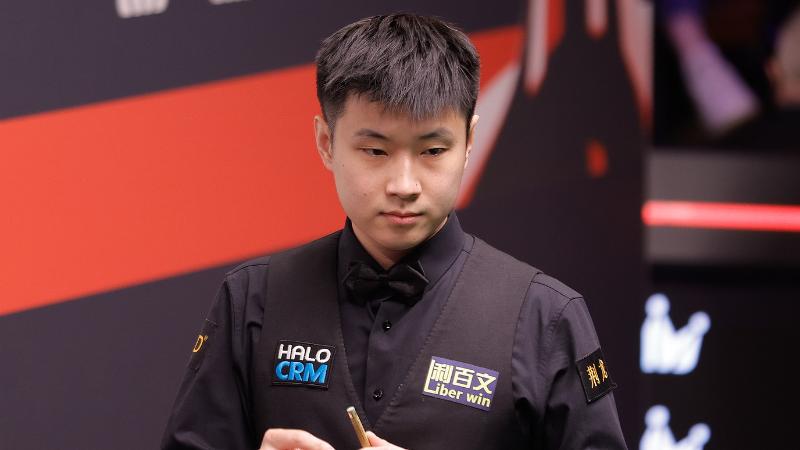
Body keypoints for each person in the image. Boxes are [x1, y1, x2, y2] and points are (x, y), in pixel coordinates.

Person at [161, 13, 626, 450]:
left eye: (433, 151)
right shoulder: (252, 299)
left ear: (469, 142)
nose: (404, 185)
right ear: (326, 142)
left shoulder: (547, 317)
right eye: (376, 152)